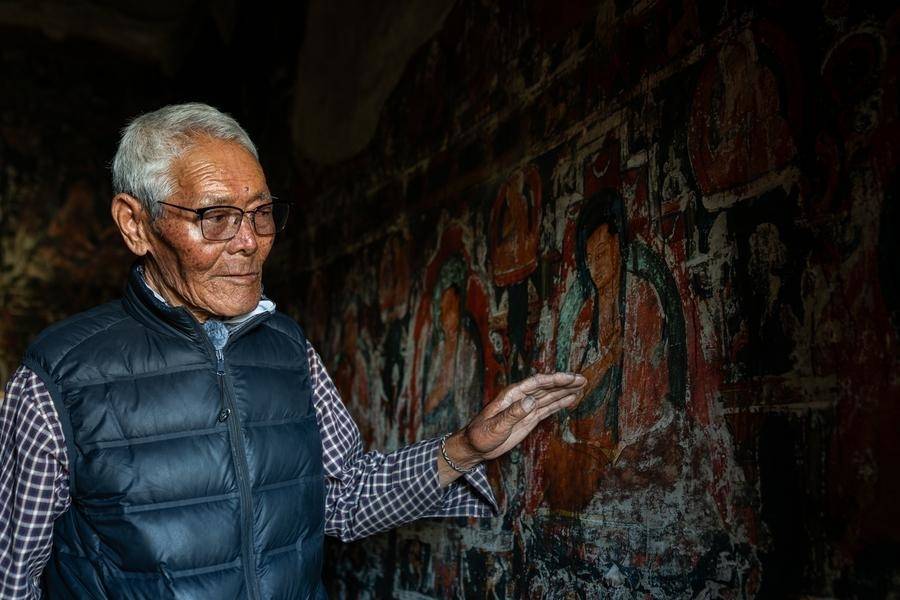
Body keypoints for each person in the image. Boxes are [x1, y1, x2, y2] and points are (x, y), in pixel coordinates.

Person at [0, 103, 586, 599]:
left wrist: (467, 445)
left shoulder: (287, 348)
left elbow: (346, 499)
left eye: (260, 214)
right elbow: (12, 578)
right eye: (215, 217)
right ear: (136, 225)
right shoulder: (59, 378)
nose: (249, 242)